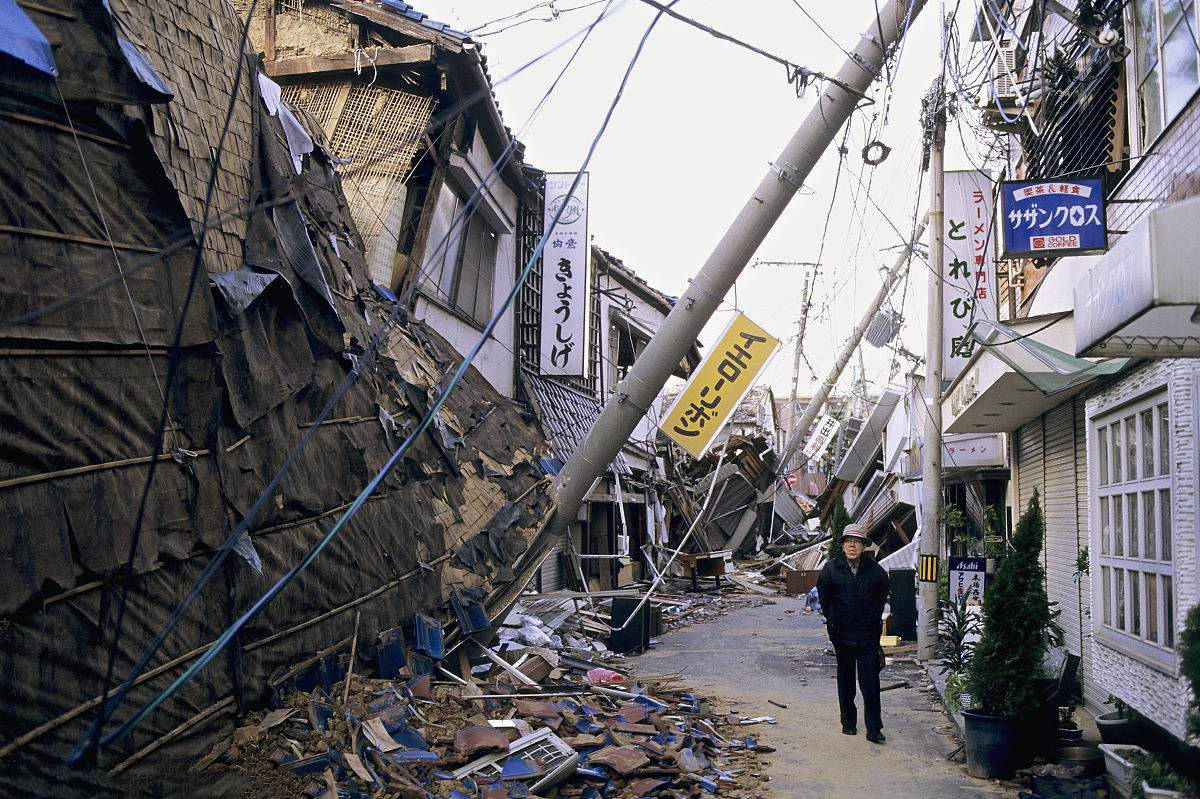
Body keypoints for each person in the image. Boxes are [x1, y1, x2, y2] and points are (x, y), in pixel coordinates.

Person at [816, 523, 891, 744]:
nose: (852, 545)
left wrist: (872, 620)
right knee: (846, 682)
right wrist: (833, 621)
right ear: (842, 545)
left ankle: (874, 728)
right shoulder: (831, 569)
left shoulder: (875, 571)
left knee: (870, 684)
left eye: (857, 541)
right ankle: (848, 723)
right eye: (848, 540)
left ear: (864, 546)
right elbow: (824, 598)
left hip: (867, 637)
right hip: (842, 636)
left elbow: (881, 597)